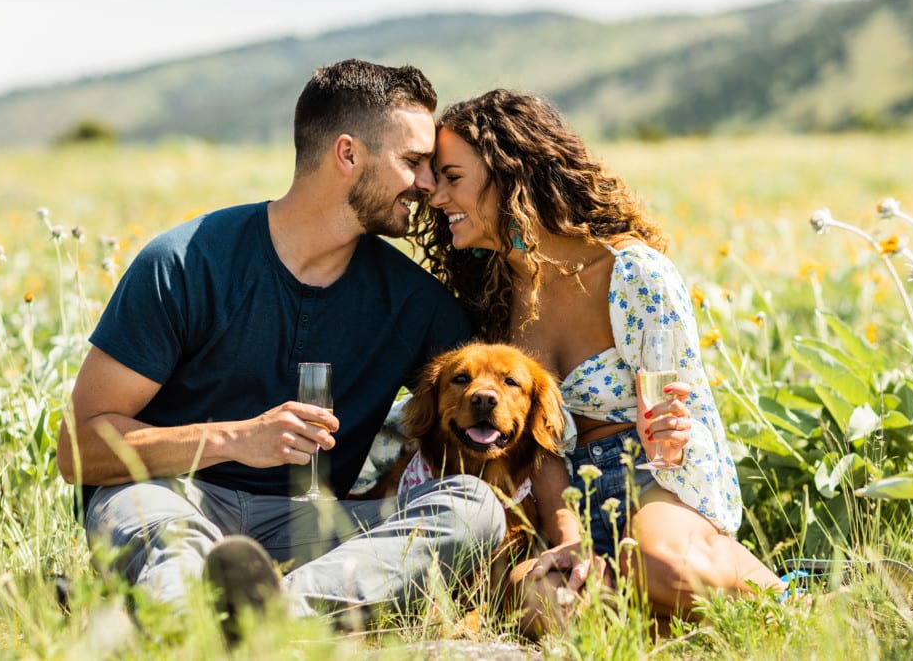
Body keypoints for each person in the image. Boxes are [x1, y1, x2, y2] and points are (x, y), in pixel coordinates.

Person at [56, 59, 509, 638]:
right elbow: (77, 449)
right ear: (347, 155)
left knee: (474, 509)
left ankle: (259, 614)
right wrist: (237, 439)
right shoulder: (187, 262)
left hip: (313, 528)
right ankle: (196, 616)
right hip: (176, 498)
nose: (427, 185)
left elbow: (501, 400)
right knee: (151, 515)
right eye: (413, 162)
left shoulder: (415, 303)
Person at [416, 89, 788, 621]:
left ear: (511, 174)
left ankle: (792, 605)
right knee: (546, 601)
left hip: (656, 478)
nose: (437, 198)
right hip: (562, 494)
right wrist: (567, 534)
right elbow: (535, 444)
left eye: (452, 178)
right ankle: (663, 625)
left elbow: (683, 415)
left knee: (655, 563)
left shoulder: (633, 274)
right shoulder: (491, 302)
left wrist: (675, 433)